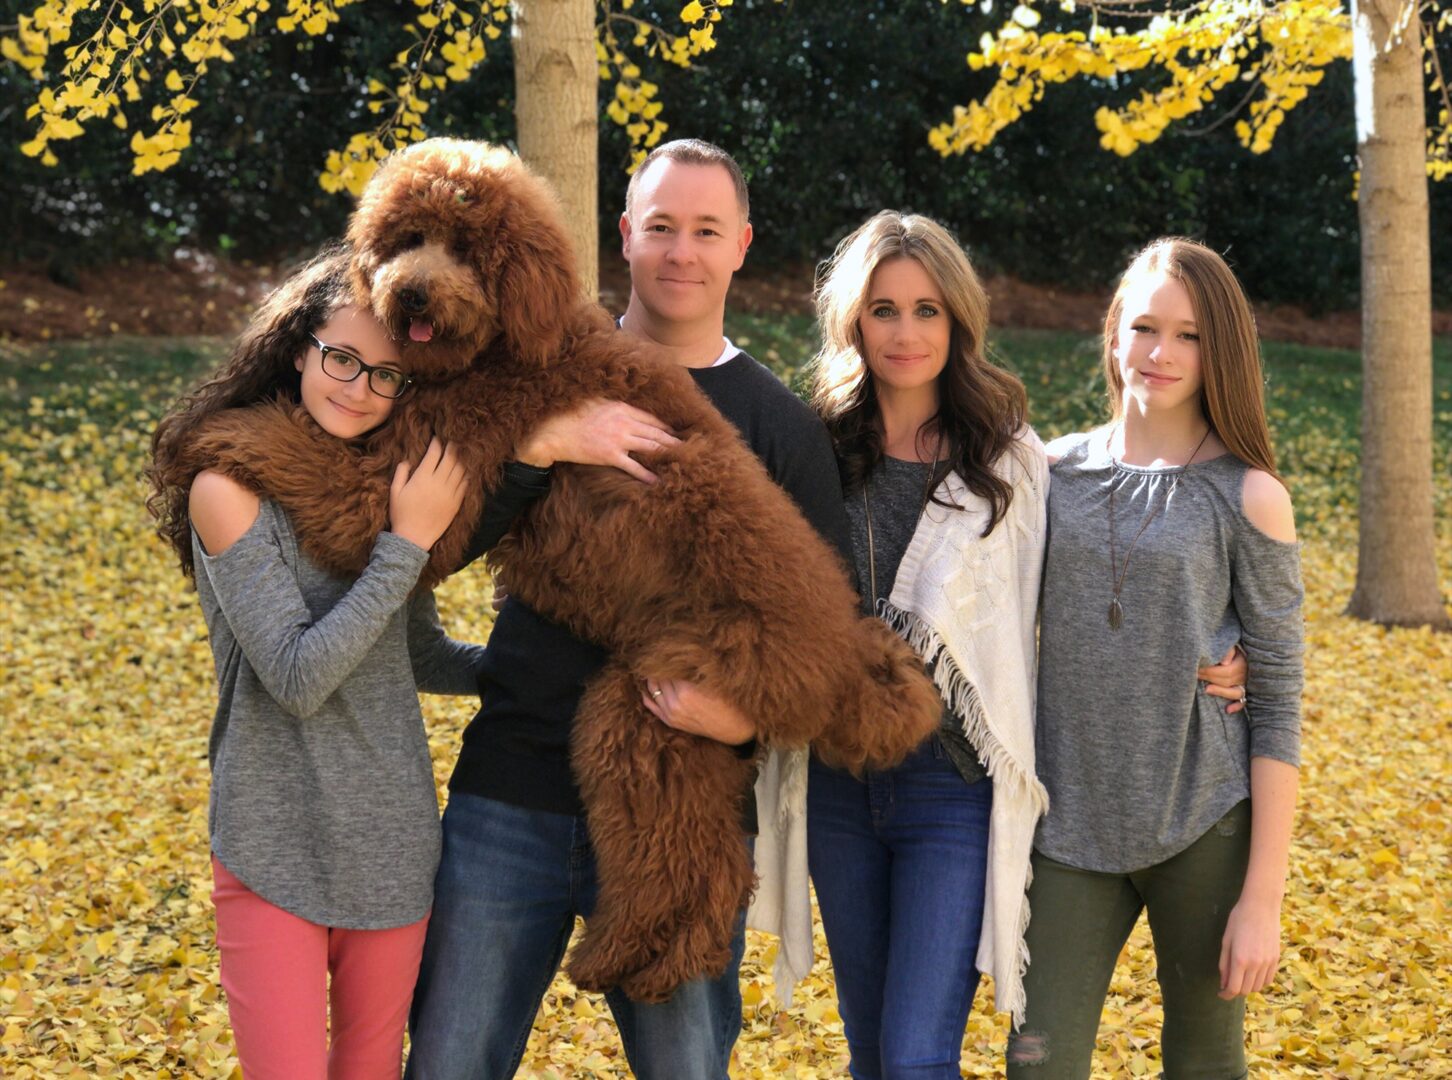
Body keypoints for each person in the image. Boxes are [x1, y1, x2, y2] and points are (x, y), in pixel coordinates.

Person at [402, 139, 852, 1080]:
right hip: (508, 791)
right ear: (624, 237)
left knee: (686, 1068)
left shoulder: (779, 425)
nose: (680, 252)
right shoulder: (535, 366)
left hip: (678, 815)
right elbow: (430, 541)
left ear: (741, 246)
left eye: (704, 231)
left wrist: (747, 719)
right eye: (659, 228)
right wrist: (542, 447)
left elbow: (819, 626)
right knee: (448, 1062)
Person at [148, 250, 487, 1080]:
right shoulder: (228, 486)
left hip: (395, 844)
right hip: (274, 841)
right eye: (342, 358)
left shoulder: (380, 486)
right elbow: (299, 678)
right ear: (301, 346)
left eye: (387, 376)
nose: (359, 388)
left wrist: (539, 666)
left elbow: (414, 656)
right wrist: (406, 543)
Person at [1006, 237, 1303, 1078]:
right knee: (1035, 1062)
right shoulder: (1047, 473)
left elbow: (1279, 700)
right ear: (1113, 335)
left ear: (1221, 353)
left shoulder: (1249, 495)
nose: (1162, 353)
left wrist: (1262, 900)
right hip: (1064, 827)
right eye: (1145, 327)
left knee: (1205, 1062)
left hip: (1205, 821)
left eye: (1190, 335)